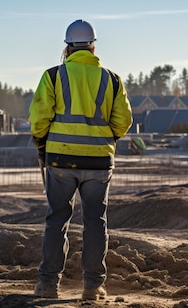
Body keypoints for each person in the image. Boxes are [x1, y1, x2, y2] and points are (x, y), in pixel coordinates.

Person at [29, 19, 133, 301]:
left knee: (56, 220)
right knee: (96, 222)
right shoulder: (111, 79)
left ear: (67, 48)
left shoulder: (53, 76)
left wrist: (42, 143)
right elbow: (123, 121)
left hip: (61, 160)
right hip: (99, 163)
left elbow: (40, 119)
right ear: (93, 46)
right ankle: (93, 287)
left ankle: (48, 285)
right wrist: (102, 138)